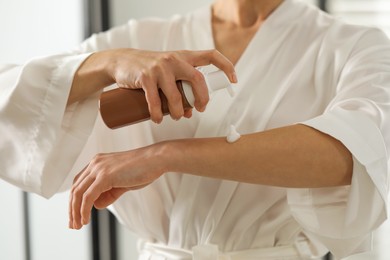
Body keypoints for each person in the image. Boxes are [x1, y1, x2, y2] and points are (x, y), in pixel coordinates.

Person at [1, 0, 389, 259]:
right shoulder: (142, 40)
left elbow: (358, 152)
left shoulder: (357, 46)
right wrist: (110, 62)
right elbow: (9, 100)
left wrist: (165, 156)